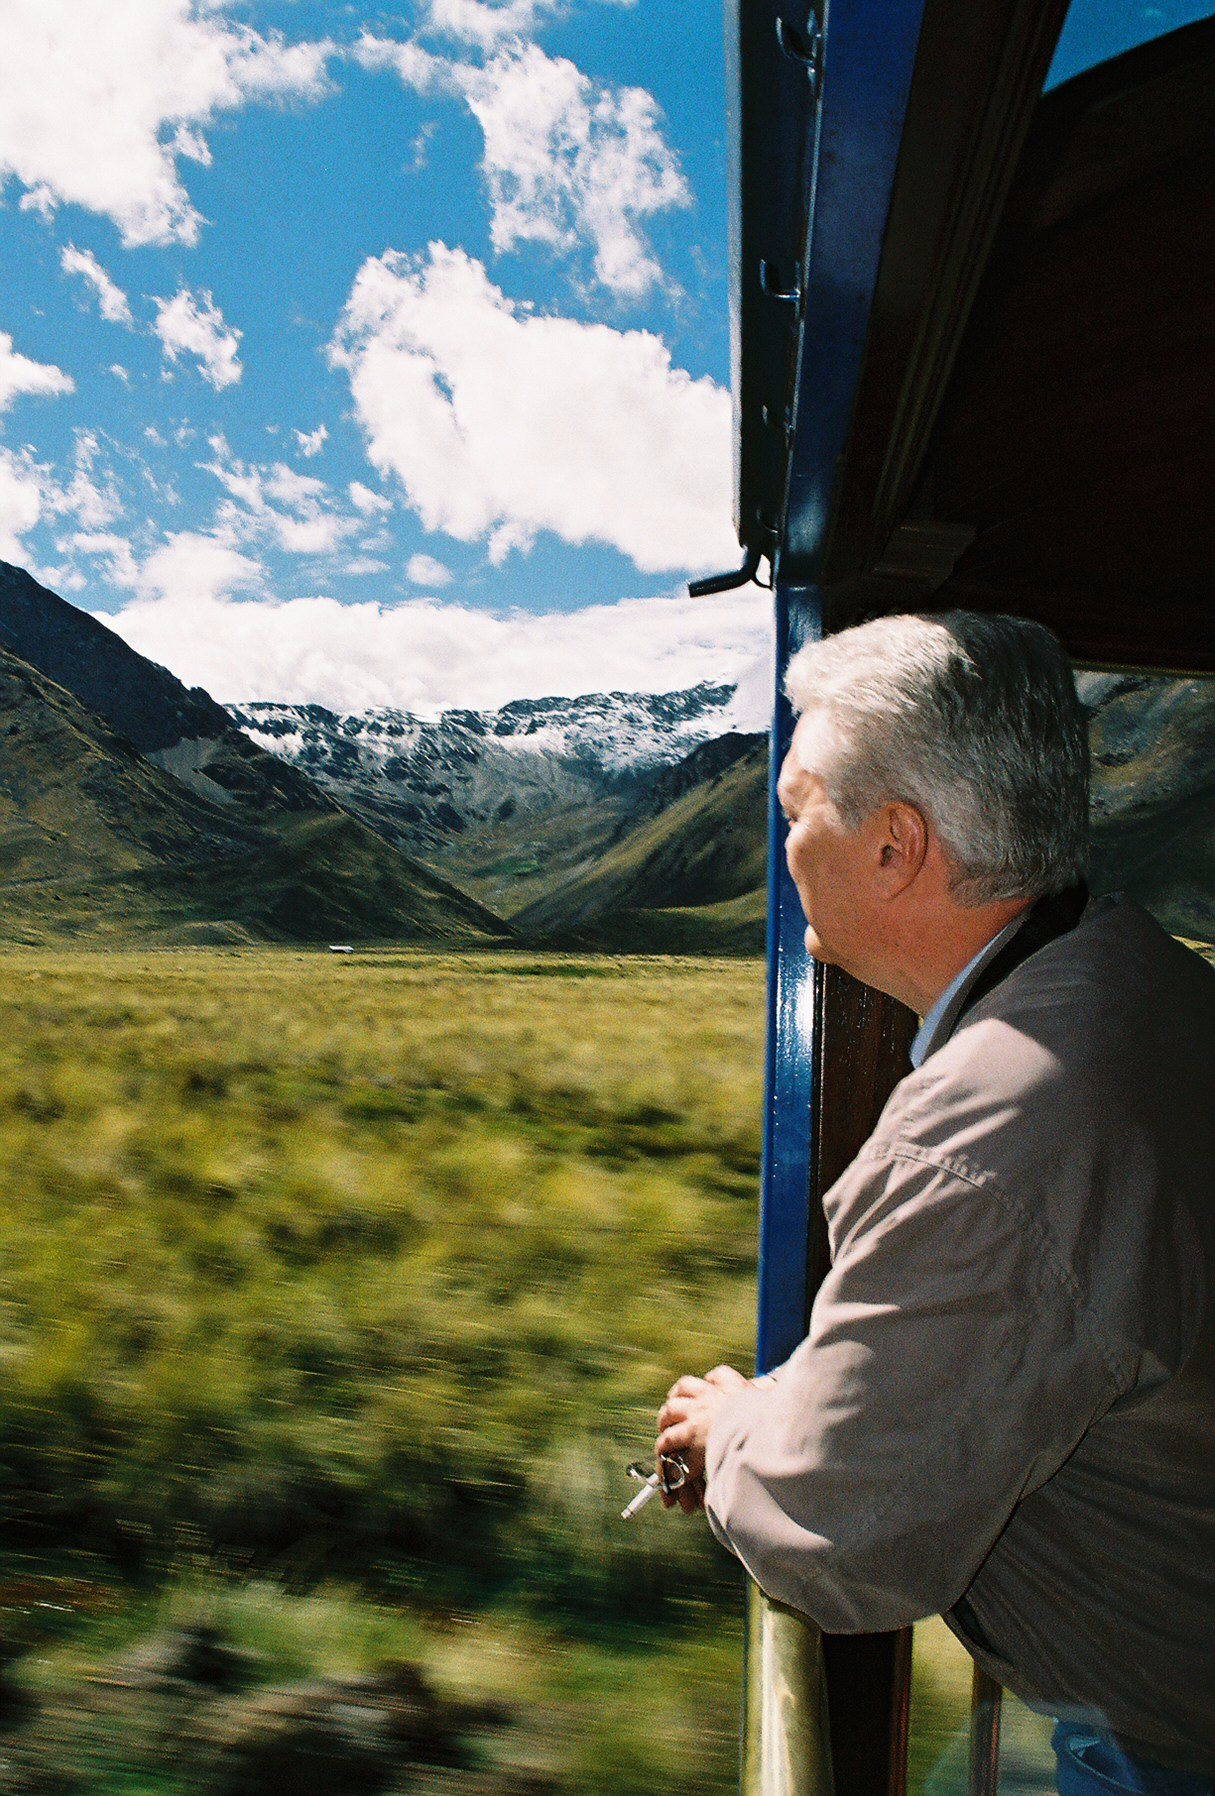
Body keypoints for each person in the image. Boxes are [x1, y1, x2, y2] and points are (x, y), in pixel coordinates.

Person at [653, 612, 1215, 1795]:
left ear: (896, 844)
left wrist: (729, 1429)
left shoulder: (991, 1134)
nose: (786, 837)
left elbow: (841, 1535)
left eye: (799, 806)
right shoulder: (1140, 976)